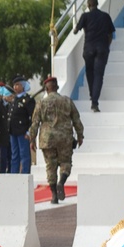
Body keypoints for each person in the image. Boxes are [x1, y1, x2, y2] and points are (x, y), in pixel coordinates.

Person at [28, 76, 83, 204]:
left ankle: (54, 196)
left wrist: (32, 139)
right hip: (65, 138)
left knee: (50, 167)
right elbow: (76, 119)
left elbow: (35, 123)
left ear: (46, 89)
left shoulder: (41, 103)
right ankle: (61, 182)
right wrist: (80, 135)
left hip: (47, 139)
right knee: (66, 162)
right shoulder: (67, 101)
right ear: (57, 87)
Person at [74, 0, 115, 112]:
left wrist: (77, 27)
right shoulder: (105, 16)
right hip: (102, 49)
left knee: (89, 72)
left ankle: (92, 94)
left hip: (89, 49)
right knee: (99, 75)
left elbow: (75, 31)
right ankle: (94, 103)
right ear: (97, 4)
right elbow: (110, 35)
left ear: (88, 5)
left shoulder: (85, 16)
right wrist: (107, 46)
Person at [7, 76, 35, 174]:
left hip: (23, 132)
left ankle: (25, 174)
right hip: (13, 131)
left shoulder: (27, 100)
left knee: (24, 155)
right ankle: (14, 174)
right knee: (14, 155)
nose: (15, 87)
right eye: (14, 85)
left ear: (23, 86)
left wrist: (29, 131)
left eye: (18, 85)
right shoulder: (14, 100)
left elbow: (33, 117)